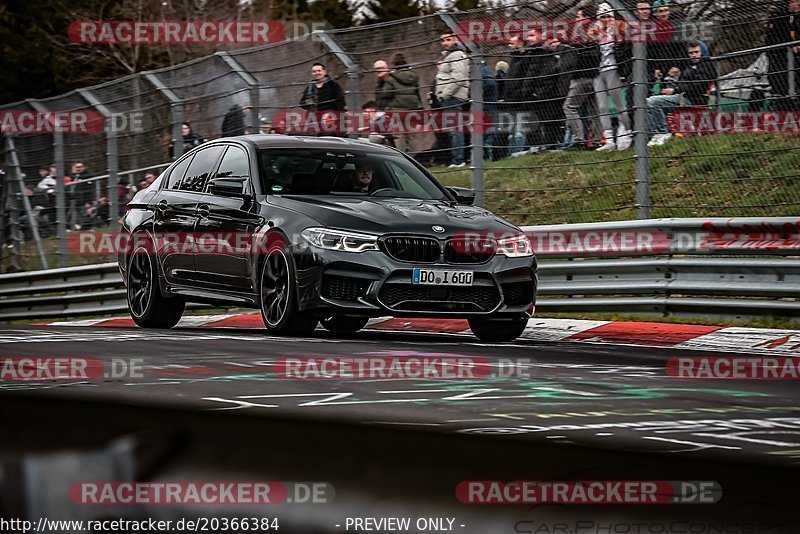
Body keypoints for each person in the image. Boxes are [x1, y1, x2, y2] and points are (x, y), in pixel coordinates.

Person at [647, 40, 715, 146]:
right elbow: (687, 83)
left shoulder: (706, 66)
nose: (694, 55)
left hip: (693, 99)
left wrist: (675, 90)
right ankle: (660, 133)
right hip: (684, 97)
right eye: (691, 53)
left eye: (697, 52)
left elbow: (698, 86)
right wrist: (678, 76)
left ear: (703, 52)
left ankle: (661, 133)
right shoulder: (691, 66)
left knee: (652, 102)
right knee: (652, 101)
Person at [592, 3, 633, 151]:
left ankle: (626, 133)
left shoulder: (619, 31)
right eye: (602, 17)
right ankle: (608, 139)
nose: (605, 20)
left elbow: (624, 51)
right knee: (602, 106)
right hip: (599, 71)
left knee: (619, 104)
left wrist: (622, 71)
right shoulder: (595, 33)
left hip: (614, 69)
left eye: (608, 16)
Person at [561, 5, 601, 150]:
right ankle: (597, 141)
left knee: (569, 107)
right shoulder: (596, 31)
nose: (576, 20)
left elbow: (580, 54)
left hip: (582, 76)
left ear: (586, 18)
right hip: (596, 76)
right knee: (596, 111)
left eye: (578, 17)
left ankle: (579, 140)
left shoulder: (585, 33)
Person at [435, 33, 470, 168]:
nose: (445, 43)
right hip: (450, 97)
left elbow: (459, 78)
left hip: (453, 97)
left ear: (456, 39)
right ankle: (457, 159)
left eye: (448, 39)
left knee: (456, 129)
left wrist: (445, 94)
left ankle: (458, 160)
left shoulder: (457, 55)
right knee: (453, 129)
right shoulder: (448, 55)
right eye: (443, 40)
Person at [766, 0, 800, 110]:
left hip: (791, 62)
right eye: (796, 2)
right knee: (781, 89)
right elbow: (773, 37)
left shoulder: (794, 18)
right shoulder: (780, 17)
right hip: (780, 60)